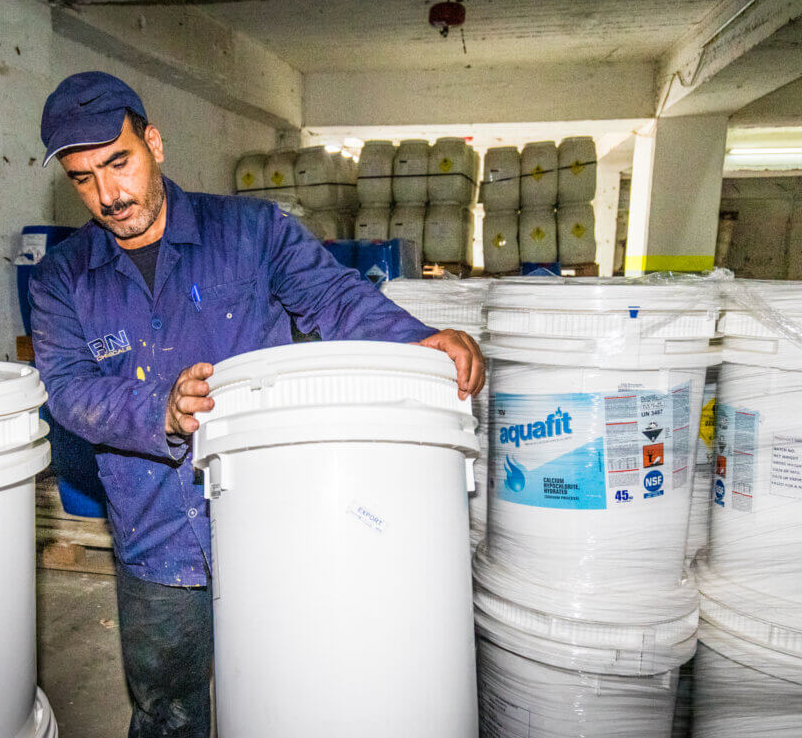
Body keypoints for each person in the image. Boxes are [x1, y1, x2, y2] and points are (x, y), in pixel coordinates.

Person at [29, 71, 484, 738]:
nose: (107, 195)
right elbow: (68, 389)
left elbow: (336, 299)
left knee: (292, 695)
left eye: (117, 163)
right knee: (167, 713)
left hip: (273, 525)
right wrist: (161, 409)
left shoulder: (251, 231)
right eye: (83, 177)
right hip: (155, 537)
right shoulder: (61, 277)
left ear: (152, 142)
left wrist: (421, 341)